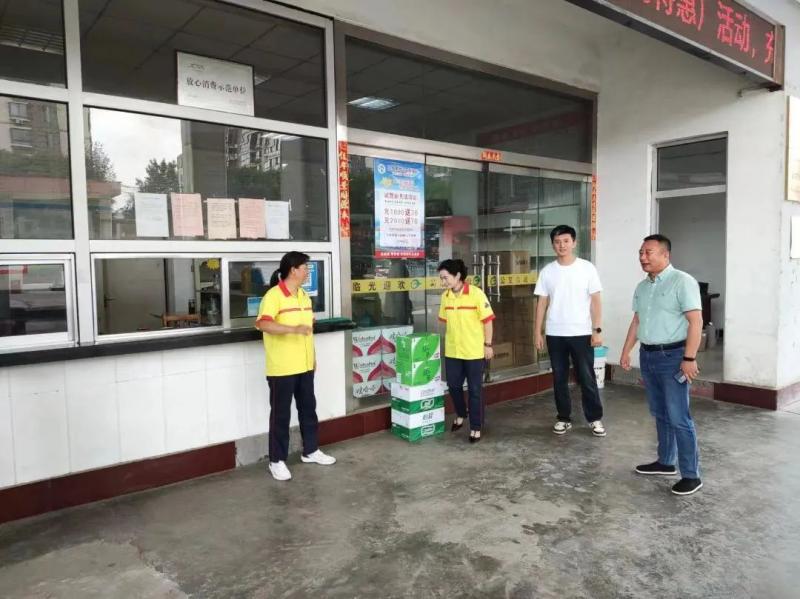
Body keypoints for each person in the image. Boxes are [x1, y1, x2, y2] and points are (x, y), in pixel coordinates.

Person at [620, 234, 704, 496]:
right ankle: (666, 462)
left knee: (679, 417)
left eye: (649, 252)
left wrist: (689, 358)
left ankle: (691, 475)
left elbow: (696, 322)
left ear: (665, 255)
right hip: (648, 356)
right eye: (641, 252)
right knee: (660, 412)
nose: (643, 257)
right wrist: (626, 351)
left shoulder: (683, 281)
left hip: (673, 357)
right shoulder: (642, 287)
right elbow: (637, 321)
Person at [255, 251, 335, 481]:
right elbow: (263, 324)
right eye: (305, 267)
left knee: (308, 410)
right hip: (282, 367)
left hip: (305, 365)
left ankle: (310, 450)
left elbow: (308, 331)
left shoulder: (303, 296)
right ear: (293, 270)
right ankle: (276, 461)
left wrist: (313, 358)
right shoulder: (273, 296)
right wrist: (293, 329)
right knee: (280, 415)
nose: (308, 271)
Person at [534, 225, 606, 437]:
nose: (562, 245)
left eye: (566, 241)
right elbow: (541, 303)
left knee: (586, 376)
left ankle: (594, 418)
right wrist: (537, 332)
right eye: (557, 242)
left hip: (581, 332)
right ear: (552, 245)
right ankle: (563, 418)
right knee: (559, 377)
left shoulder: (587, 268)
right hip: (555, 333)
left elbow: (596, 301)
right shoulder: (547, 271)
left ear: (574, 243)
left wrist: (597, 330)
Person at [437, 259, 495, 443]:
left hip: (474, 351)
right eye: (441, 278)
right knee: (453, 386)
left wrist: (488, 344)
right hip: (453, 351)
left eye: (445, 278)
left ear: (457, 276)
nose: (443, 282)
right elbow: (444, 322)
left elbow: (488, 321)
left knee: (475, 390)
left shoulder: (476, 294)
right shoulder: (445, 297)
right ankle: (462, 413)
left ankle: (476, 427)